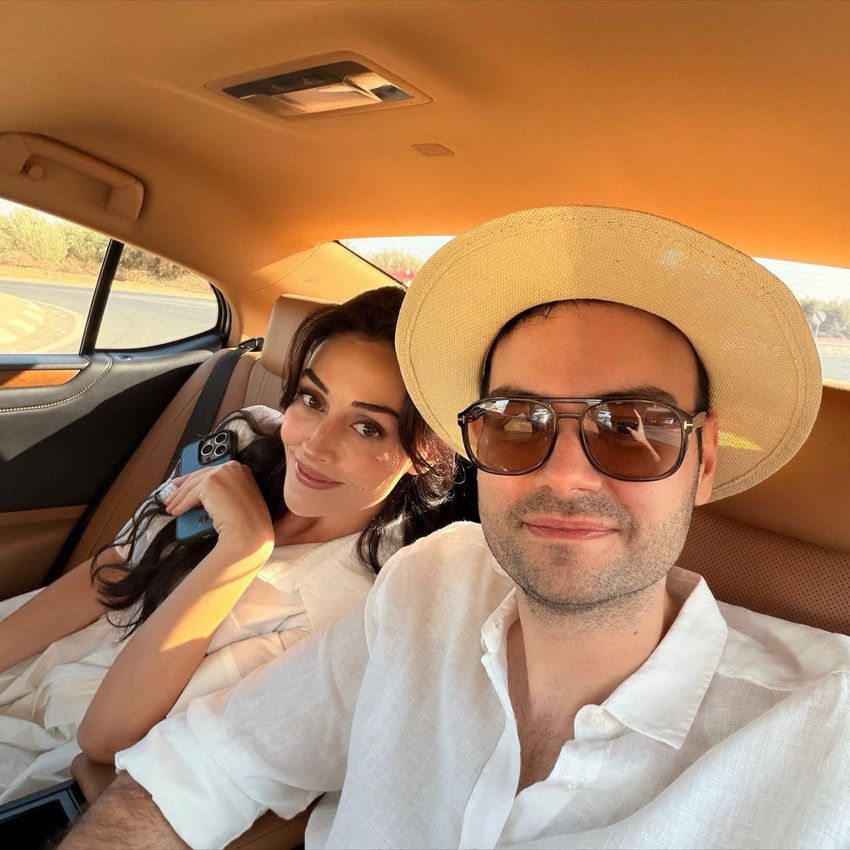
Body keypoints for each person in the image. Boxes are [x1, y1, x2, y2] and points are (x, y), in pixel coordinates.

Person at [61, 207, 849, 850]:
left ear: (703, 458)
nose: (566, 475)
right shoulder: (432, 581)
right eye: (516, 421)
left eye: (631, 426)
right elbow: (201, 773)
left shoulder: (825, 736)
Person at [0, 285, 455, 804]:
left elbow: (104, 738)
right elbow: (117, 568)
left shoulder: (356, 609)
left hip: (60, 755)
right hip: (38, 656)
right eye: (312, 399)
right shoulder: (247, 437)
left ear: (423, 452)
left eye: (367, 427)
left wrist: (241, 550)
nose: (313, 443)